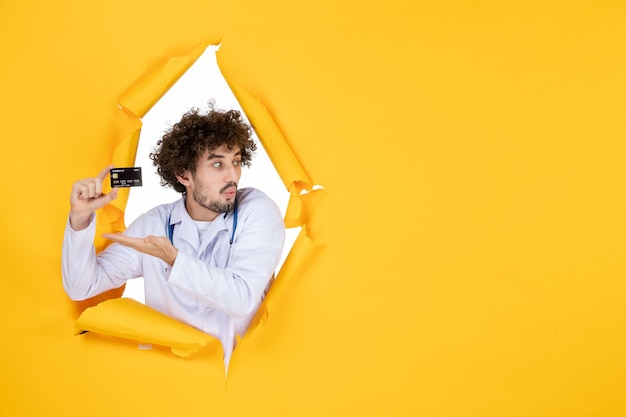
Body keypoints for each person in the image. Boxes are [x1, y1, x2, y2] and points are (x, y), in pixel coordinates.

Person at [62, 106, 286, 368]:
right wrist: (79, 219)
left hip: (243, 380)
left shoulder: (257, 210)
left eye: (236, 162)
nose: (232, 176)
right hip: (173, 384)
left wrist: (174, 259)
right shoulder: (155, 224)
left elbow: (241, 296)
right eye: (217, 164)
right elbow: (81, 287)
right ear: (183, 174)